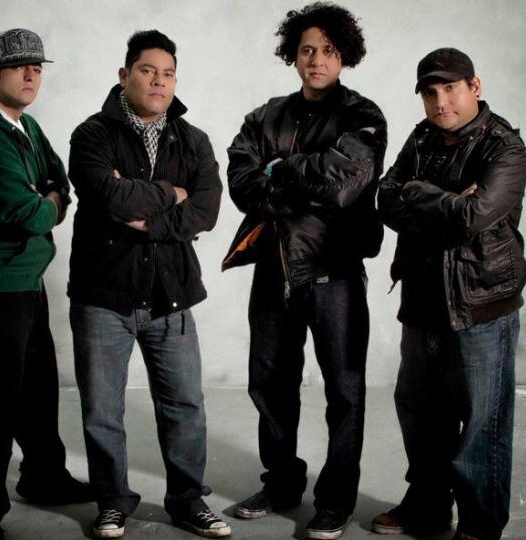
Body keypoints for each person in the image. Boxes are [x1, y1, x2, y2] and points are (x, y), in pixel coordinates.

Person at [222, 3, 387, 538]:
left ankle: (335, 501)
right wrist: (301, 181)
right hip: (273, 272)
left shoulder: (363, 116)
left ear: (344, 56)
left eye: (329, 51)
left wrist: (281, 168)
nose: (317, 59)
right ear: (292, 55)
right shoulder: (264, 117)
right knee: (270, 385)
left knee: (345, 392)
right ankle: (281, 484)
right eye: (308, 50)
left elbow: (344, 183)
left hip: (334, 274)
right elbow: (242, 183)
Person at [67, 30, 228, 539]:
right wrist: (171, 194)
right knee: (102, 411)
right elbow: (105, 196)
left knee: (185, 406)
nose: (159, 81)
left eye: (168, 73)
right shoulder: (92, 134)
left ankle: (188, 501)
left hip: (170, 295)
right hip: (102, 296)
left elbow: (206, 210)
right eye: (147, 71)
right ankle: (112, 502)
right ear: (125, 75)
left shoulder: (193, 139)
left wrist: (145, 212)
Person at [373, 48, 526, 540]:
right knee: (420, 413)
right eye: (430, 92)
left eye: (451, 89)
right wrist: (440, 200)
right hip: (422, 299)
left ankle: (480, 526)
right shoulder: (422, 137)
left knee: (482, 423)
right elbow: (386, 200)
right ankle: (428, 507)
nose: (441, 102)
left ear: (474, 86)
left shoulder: (504, 146)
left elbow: (473, 217)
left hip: (480, 303)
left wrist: (419, 192)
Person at [0, 28, 90, 540]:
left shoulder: (24, 125)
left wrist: (49, 194)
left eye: (37, 67)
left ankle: (43, 478)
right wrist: (46, 201)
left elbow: (59, 182)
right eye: (19, 67)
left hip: (25, 279)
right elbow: (30, 213)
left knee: (36, 392)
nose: (31, 75)